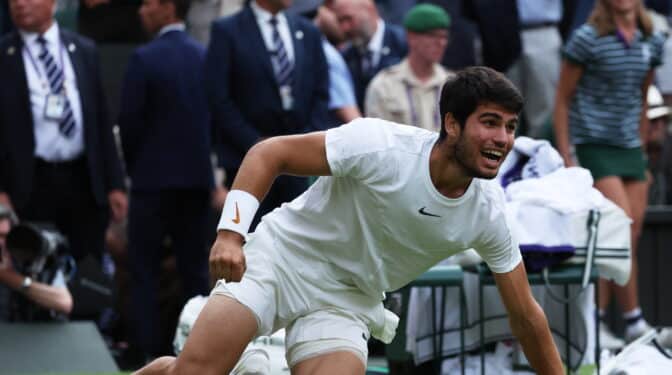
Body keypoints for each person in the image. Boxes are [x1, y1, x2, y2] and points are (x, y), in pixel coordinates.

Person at [135, 66, 564, 375]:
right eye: (490, 123)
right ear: (451, 124)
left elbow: (526, 316)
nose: (503, 140)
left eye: (509, 127)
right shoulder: (380, 146)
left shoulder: (488, 213)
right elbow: (271, 153)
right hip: (282, 259)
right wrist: (230, 234)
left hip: (349, 300)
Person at [554, 0, 666, 347]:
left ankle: (623, 321)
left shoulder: (653, 40)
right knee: (620, 228)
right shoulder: (587, 38)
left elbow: (642, 97)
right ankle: (612, 320)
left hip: (631, 148)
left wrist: (644, 146)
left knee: (628, 236)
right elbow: (562, 99)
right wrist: (566, 155)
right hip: (594, 145)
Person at [118, 0, 213, 360]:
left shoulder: (144, 58)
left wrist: (135, 170)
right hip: (196, 183)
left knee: (143, 271)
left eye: (147, 3)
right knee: (195, 275)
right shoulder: (203, 56)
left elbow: (129, 125)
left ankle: (147, 355)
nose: (140, 10)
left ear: (169, 7)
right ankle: (199, 355)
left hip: (150, 184)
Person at [0, 0, 127, 263]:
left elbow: (102, 122)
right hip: (31, 184)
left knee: (87, 271)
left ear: (53, 3)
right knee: (37, 267)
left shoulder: (83, 50)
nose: (19, 5)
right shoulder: (5, 55)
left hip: (82, 180)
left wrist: (115, 184)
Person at [205, 0, 329, 230]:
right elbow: (218, 98)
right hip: (245, 161)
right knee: (247, 244)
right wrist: (256, 145)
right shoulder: (227, 30)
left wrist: (303, 143)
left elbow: (321, 93)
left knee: (297, 241)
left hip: (299, 164)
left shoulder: (308, 31)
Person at [365, 3, 452, 132]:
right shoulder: (384, 85)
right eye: (433, 36)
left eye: (444, 37)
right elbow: (377, 138)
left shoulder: (451, 83)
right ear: (411, 37)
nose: (441, 43)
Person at [327, 0, 407, 111]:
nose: (345, 28)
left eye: (348, 18)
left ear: (370, 10)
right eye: (340, 21)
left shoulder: (404, 44)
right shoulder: (345, 56)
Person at [0, 204, 73, 321]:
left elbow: (64, 303)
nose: (0, 243)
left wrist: (10, 278)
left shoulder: (29, 255)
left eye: (3, 236)